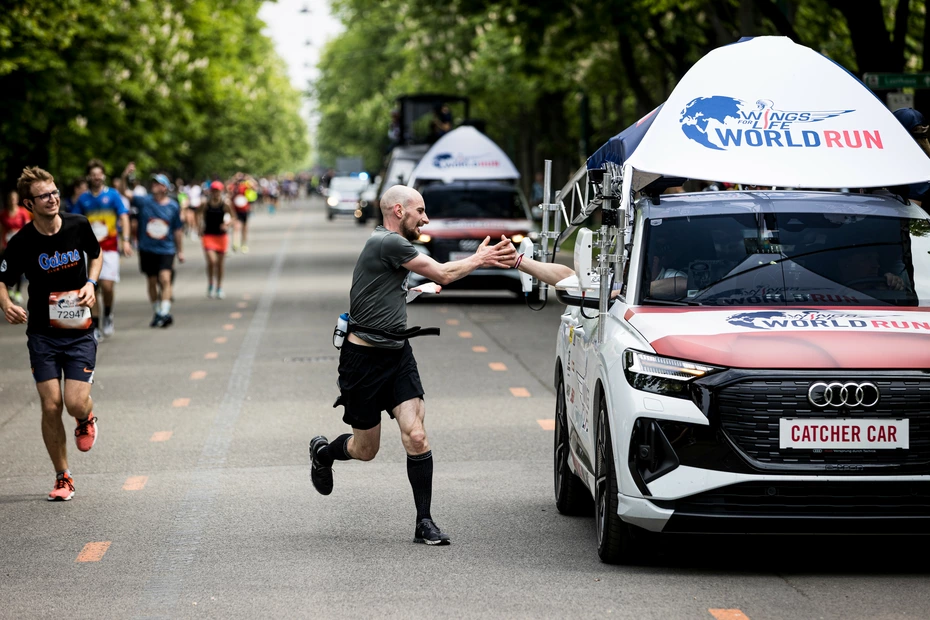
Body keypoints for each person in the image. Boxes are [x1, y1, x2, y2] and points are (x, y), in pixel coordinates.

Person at [308, 185, 515, 545]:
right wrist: (480, 258)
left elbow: (396, 285)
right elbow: (443, 274)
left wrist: (409, 292)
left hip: (397, 355)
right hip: (362, 362)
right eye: (420, 211)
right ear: (399, 211)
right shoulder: (387, 242)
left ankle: (424, 522)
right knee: (365, 450)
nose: (426, 219)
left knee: (416, 436)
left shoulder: (393, 247)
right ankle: (324, 453)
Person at [0, 166, 102, 501]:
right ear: (29, 204)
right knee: (50, 405)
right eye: (43, 196)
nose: (52, 199)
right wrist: (6, 304)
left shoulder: (78, 224)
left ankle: (85, 417)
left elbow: (96, 255)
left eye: (54, 192)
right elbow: (2, 280)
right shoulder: (22, 242)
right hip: (42, 334)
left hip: (79, 330)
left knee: (74, 402)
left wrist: (91, 283)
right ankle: (63, 476)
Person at [73, 159, 132, 339]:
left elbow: (124, 217)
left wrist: (126, 240)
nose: (96, 177)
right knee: (93, 288)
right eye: (93, 174)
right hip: (89, 250)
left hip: (110, 248)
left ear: (103, 176)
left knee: (107, 286)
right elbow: (74, 222)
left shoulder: (113, 195)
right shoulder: (83, 199)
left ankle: (107, 315)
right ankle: (96, 325)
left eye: (99, 174)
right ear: (89, 177)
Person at [125, 170, 184, 327]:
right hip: (147, 249)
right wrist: (125, 176)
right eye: (153, 183)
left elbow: (177, 230)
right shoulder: (144, 201)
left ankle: (164, 312)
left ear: (165, 187)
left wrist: (180, 251)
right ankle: (157, 311)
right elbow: (123, 192)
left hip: (166, 248)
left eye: (158, 183)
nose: (154, 186)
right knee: (151, 281)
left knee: (165, 278)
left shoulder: (173, 206)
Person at [198, 180, 234, 298]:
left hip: (221, 236)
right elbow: (197, 214)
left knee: (220, 264)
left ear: (221, 191)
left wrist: (227, 224)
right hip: (208, 235)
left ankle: (219, 287)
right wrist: (199, 227)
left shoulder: (225, 204)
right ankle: (210, 283)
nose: (215, 193)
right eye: (213, 191)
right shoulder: (205, 204)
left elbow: (233, 217)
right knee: (212, 261)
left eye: (217, 191)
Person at [0, 190, 30, 305]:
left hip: (20, 244)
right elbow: (1, 229)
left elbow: (28, 227)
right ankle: (8, 290)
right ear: (8, 200)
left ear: (17, 200)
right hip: (7, 244)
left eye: (14, 198)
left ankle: (17, 292)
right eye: (10, 199)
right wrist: (1, 243)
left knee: (19, 267)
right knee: (7, 267)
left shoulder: (23, 212)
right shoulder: (3, 213)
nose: (12, 201)